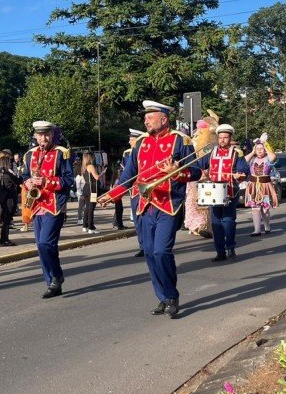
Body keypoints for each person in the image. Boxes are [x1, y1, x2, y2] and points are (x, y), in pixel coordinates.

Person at [99, 101, 199, 318]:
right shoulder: (141, 143)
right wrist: (112, 194)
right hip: (144, 205)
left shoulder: (180, 140)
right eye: (145, 117)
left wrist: (178, 172)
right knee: (151, 255)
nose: (145, 120)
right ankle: (162, 296)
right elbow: (129, 175)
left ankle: (172, 295)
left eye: (150, 117)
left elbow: (197, 171)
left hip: (169, 205)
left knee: (161, 251)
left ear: (164, 119)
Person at [22, 121, 74, 299]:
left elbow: (68, 180)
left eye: (47, 135)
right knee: (41, 246)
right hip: (36, 206)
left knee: (46, 243)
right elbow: (24, 176)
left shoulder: (62, 153)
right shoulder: (29, 155)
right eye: (40, 135)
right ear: (35, 136)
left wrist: (46, 182)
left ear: (52, 135)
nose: (43, 138)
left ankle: (57, 276)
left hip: (54, 205)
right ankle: (51, 283)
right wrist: (27, 182)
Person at [196, 124, 250, 262]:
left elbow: (244, 170)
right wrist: (200, 172)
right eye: (220, 137)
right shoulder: (211, 151)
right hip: (213, 191)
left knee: (228, 221)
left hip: (230, 190)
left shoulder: (237, 153)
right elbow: (200, 164)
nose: (222, 140)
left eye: (225, 137)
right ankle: (220, 251)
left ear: (230, 138)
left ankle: (230, 247)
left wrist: (240, 175)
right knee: (215, 224)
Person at [243, 133, 279, 236]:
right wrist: (252, 151)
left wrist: (265, 145)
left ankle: (267, 226)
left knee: (265, 208)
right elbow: (244, 160)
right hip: (253, 186)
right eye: (257, 148)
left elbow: (273, 157)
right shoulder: (253, 159)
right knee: (255, 208)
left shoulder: (267, 159)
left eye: (261, 149)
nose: (259, 150)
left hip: (265, 185)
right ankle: (257, 230)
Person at [0, 153, 21, 246]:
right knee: (7, 220)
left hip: (2, 198)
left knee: (5, 220)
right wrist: (14, 174)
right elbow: (18, 181)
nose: (11, 164)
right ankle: (5, 239)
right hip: (10, 199)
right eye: (9, 162)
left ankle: (2, 238)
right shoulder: (8, 173)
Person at [80, 151, 101, 234]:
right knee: (91, 207)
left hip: (86, 188)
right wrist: (102, 174)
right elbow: (96, 177)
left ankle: (84, 226)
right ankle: (90, 227)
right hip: (92, 189)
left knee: (87, 208)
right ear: (90, 157)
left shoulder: (83, 166)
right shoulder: (91, 166)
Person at [74, 161, 86, 226]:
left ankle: (84, 218)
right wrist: (81, 194)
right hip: (81, 194)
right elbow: (78, 187)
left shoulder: (83, 176)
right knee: (81, 207)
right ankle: (79, 220)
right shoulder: (78, 177)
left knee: (85, 207)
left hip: (85, 193)